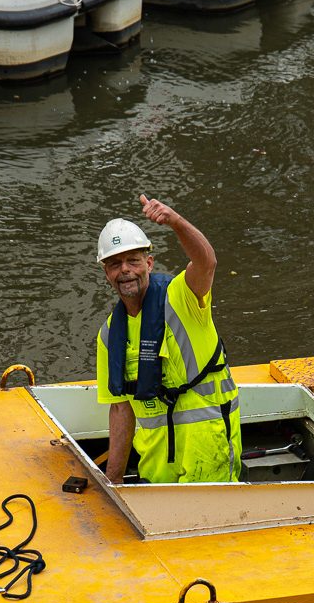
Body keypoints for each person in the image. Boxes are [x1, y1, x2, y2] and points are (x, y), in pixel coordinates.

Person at [96, 195, 241, 485]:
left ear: (149, 263)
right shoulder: (110, 334)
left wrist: (175, 222)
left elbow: (207, 261)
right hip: (156, 461)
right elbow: (121, 408)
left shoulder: (182, 297)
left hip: (206, 451)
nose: (124, 270)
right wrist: (113, 482)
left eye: (133, 261)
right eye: (114, 264)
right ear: (106, 273)